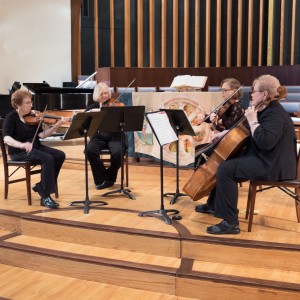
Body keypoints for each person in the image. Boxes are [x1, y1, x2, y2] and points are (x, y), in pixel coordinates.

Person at [196, 74, 297, 234]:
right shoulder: (266, 109)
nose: (251, 94)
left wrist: (253, 120)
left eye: (254, 91)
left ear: (264, 94)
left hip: (274, 165)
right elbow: (242, 129)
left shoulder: (275, 114)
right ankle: (214, 205)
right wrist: (221, 135)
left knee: (226, 169)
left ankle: (230, 222)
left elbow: (266, 142)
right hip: (265, 159)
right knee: (226, 164)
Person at [2, 90, 68, 209]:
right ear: (18, 105)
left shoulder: (33, 117)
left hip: (36, 148)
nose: (31, 105)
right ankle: (45, 197)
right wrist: (22, 145)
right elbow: (6, 138)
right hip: (19, 152)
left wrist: (57, 125)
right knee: (47, 158)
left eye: (31, 102)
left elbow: (42, 135)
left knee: (60, 155)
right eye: (27, 103)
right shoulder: (11, 118)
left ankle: (42, 186)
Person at [194, 78, 245, 211]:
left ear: (234, 91)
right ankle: (211, 201)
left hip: (228, 146)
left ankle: (208, 194)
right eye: (221, 90)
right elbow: (218, 122)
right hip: (221, 142)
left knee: (203, 156)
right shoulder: (226, 106)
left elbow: (230, 129)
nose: (222, 93)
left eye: (225, 90)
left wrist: (217, 122)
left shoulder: (237, 108)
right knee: (198, 151)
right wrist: (209, 117)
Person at [85, 82, 127, 190]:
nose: (105, 96)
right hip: (99, 137)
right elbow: (84, 117)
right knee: (89, 150)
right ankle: (102, 179)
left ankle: (110, 178)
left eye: (106, 93)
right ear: (97, 96)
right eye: (102, 94)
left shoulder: (116, 106)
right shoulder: (93, 107)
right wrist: (92, 112)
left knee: (118, 152)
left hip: (115, 136)